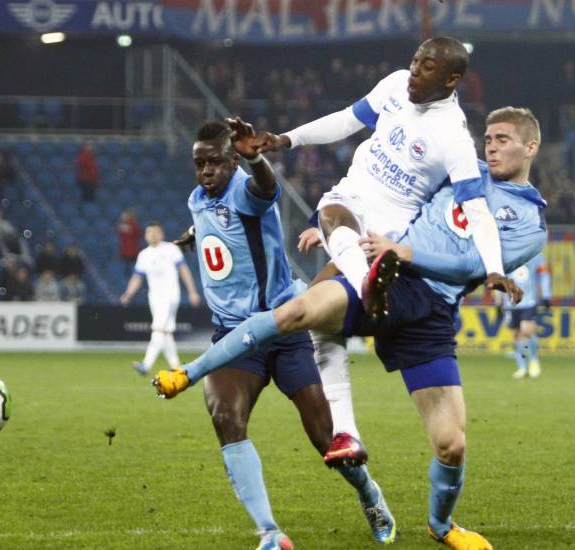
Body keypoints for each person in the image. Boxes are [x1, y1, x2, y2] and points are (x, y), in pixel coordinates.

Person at [156, 107, 548, 550]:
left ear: (531, 147)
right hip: (383, 276)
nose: (491, 147)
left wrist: (404, 253)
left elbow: (470, 267)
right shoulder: (460, 168)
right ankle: (265, 515)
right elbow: (387, 189)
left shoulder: (530, 223)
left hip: (430, 308)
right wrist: (326, 225)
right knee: (298, 314)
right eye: (489, 138)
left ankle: (440, 524)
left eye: (503, 140)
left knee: (450, 445)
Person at [252, 37, 514, 450]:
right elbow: (345, 120)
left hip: (386, 233)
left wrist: (495, 267)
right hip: (351, 203)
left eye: (428, 67)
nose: (414, 70)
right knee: (330, 219)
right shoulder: (394, 85)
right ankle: (348, 434)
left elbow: (476, 209)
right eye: (414, 60)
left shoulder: (454, 139)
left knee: (318, 316)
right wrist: (286, 139)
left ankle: (347, 426)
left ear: (452, 79)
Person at [161, 118, 398, 549]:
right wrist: (196, 234)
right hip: (234, 337)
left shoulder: (247, 191)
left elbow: (265, 191)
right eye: (200, 164)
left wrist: (258, 162)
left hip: (282, 327)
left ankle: (368, 492)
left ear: (233, 161)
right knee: (225, 417)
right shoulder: (199, 198)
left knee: (326, 439)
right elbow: (218, 225)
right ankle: (269, 533)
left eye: (215, 163)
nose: (206, 172)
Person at [120, 221, 201, 375]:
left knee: (158, 329)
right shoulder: (144, 254)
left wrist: (192, 292)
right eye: (149, 232)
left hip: (170, 295)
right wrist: (128, 293)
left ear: (162, 234)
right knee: (166, 332)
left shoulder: (171, 249)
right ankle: (177, 368)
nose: (152, 234)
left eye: (156, 232)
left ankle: (146, 365)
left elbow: (183, 270)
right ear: (145, 235)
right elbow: (137, 277)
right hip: (154, 297)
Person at [497, 252, 552, 379]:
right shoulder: (504, 256)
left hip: (529, 300)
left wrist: (546, 294)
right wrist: (498, 302)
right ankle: (522, 367)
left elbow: (544, 274)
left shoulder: (536, 255)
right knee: (516, 335)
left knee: (526, 330)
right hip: (511, 303)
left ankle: (533, 360)